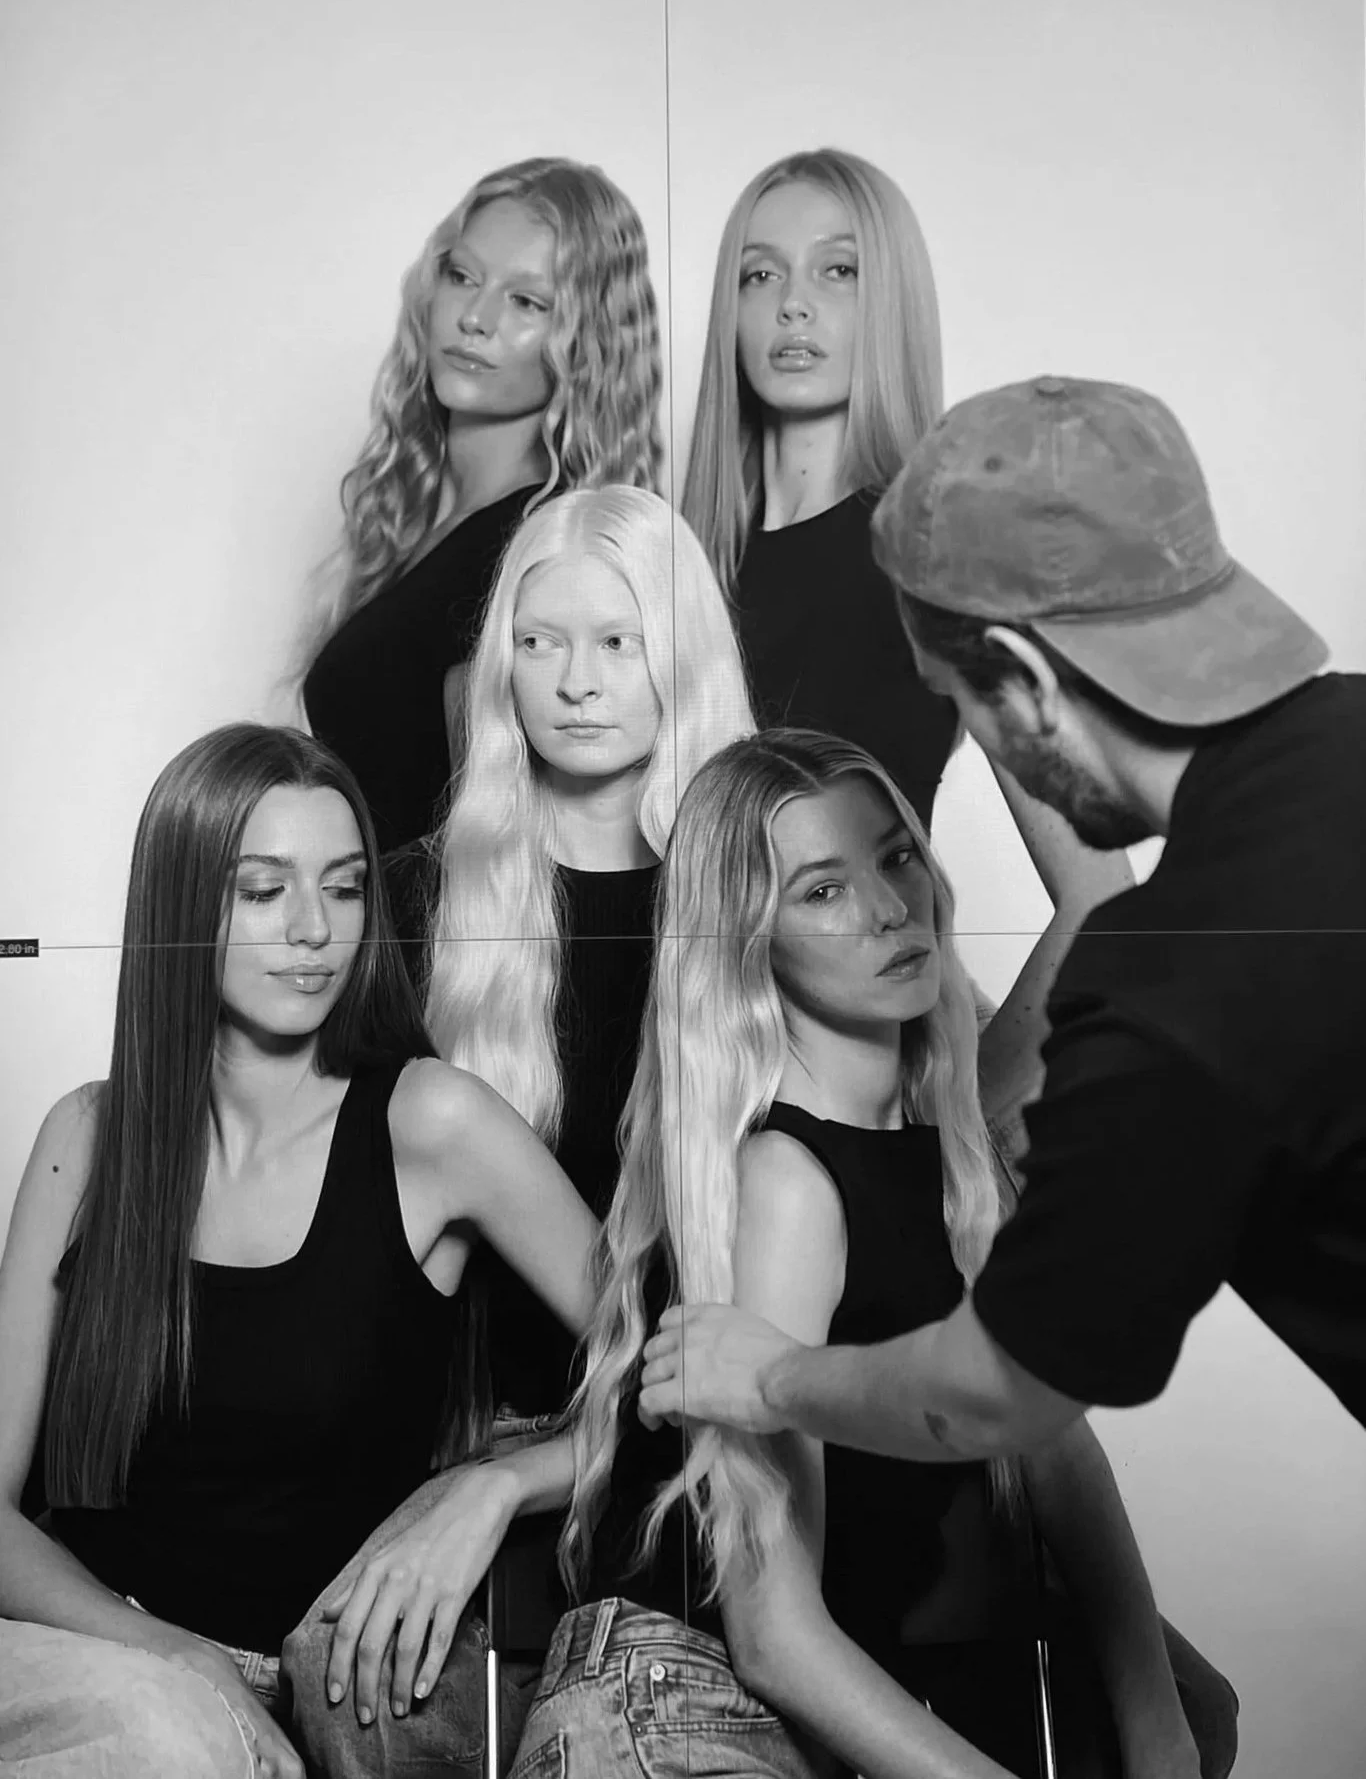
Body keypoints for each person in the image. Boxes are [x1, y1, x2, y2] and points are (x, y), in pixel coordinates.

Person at [637, 375, 1366, 1482]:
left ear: (1020, 679)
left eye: (959, 704)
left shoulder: (1164, 992)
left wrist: (772, 1372)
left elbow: (991, 1397)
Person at [508, 730, 1235, 1779]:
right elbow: (771, 1630)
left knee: (1196, 1713)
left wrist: (1158, 1717)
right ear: (745, 939)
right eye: (821, 890)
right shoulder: (786, 1184)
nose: (887, 907)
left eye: (895, 856)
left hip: (803, 1701)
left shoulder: (949, 1160)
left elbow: (1053, 1447)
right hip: (674, 1700)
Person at [0, 725, 600, 1779]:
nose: (315, 929)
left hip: (331, 1689)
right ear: (184, 907)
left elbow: (687, 1377)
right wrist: (178, 1664)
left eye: (346, 886)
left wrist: (498, 1487)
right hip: (95, 1664)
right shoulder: (85, 1139)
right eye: (263, 890)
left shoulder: (435, 1123)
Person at [281, 485, 755, 1775]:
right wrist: (478, 1474)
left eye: (617, 640)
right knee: (349, 1679)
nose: (575, 682)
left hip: (711, 1446)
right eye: (538, 642)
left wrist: (525, 1477)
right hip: (465, 1445)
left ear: (682, 656)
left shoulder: (769, 909)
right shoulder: (418, 903)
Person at [682, 149, 1133, 1142]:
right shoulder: (674, 569)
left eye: (836, 271)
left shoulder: (937, 560)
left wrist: (962, 1109)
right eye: (759, 275)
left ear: (886, 303)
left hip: (861, 1131)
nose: (792, 306)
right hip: (693, 1110)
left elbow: (1102, 899)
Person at [298, 157, 663, 966]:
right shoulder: (426, 529)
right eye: (463, 277)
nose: (476, 318)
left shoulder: (531, 549)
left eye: (527, 301)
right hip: (380, 976)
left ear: (585, 342)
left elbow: (506, 853)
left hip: (452, 1000)